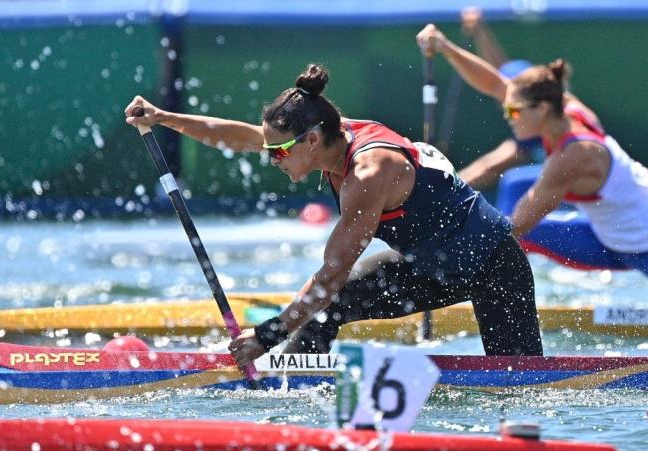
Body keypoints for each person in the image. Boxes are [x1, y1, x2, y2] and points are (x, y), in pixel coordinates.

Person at [125, 64, 543, 368]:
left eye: (279, 153)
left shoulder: (369, 170)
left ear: (311, 140)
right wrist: (164, 118)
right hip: (429, 265)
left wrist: (268, 334)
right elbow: (239, 136)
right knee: (326, 307)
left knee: (520, 386)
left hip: (492, 267)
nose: (271, 159)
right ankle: (289, 394)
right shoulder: (325, 134)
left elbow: (331, 273)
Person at [416, 24, 648, 275]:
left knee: (511, 233)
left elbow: (517, 224)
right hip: (609, 234)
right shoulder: (565, 107)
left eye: (513, 111)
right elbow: (494, 84)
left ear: (541, 109)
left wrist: (436, 240)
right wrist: (445, 47)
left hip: (640, 248)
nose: (507, 116)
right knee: (513, 197)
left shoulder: (573, 156)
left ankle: (493, 297)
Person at [454, 7, 545, 190]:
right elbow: (497, 65)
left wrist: (443, 194)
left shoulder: (544, 132)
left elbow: (489, 168)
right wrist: (480, 30)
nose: (508, 114)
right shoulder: (533, 105)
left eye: (513, 109)